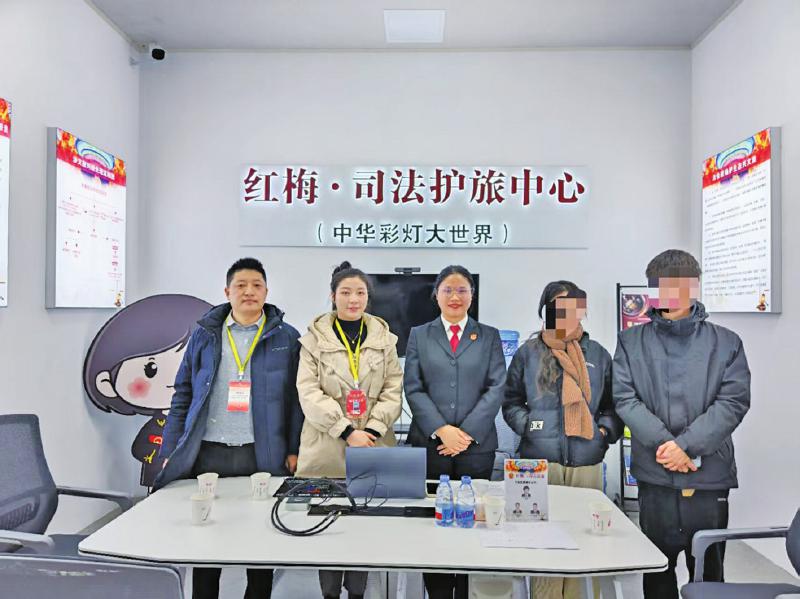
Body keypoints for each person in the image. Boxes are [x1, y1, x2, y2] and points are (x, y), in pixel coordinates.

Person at [156, 257, 304, 599]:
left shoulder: (287, 337)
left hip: (262, 453)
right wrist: (171, 449)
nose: (249, 291)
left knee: (261, 541)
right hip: (209, 452)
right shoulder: (205, 335)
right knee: (206, 539)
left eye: (256, 285)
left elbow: (296, 401)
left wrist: (294, 449)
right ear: (227, 292)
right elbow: (183, 393)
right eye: (241, 285)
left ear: (267, 291)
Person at [613, 250, 751, 599]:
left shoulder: (726, 342)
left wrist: (686, 447)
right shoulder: (631, 342)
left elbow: (733, 402)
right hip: (655, 477)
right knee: (656, 571)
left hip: (708, 478)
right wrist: (668, 447)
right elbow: (625, 399)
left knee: (708, 574)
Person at [503, 280, 622, 599]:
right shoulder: (528, 353)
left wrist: (602, 433)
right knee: (543, 545)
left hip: (586, 464)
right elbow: (510, 401)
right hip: (538, 465)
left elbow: (613, 406)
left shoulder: (598, 354)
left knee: (585, 543)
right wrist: (529, 426)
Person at [295, 261, 403, 599]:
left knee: (365, 524)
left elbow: (393, 389)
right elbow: (308, 393)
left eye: (360, 293)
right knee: (326, 525)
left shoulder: (384, 340)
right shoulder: (312, 340)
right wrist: (346, 431)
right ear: (333, 296)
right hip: (326, 447)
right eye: (345, 292)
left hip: (372, 445)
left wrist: (371, 430)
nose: (353, 299)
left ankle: (357, 592)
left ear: (368, 297)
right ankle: (329, 593)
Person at [404, 264, 506, 599]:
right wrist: (441, 430)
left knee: (472, 524)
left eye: (462, 290)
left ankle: (465, 590)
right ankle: (436, 592)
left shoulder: (488, 335)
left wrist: (465, 435)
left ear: (472, 296)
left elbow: (496, 388)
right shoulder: (420, 335)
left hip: (476, 449)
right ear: (436, 295)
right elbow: (413, 387)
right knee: (432, 525)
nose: (455, 296)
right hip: (431, 446)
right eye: (448, 289)